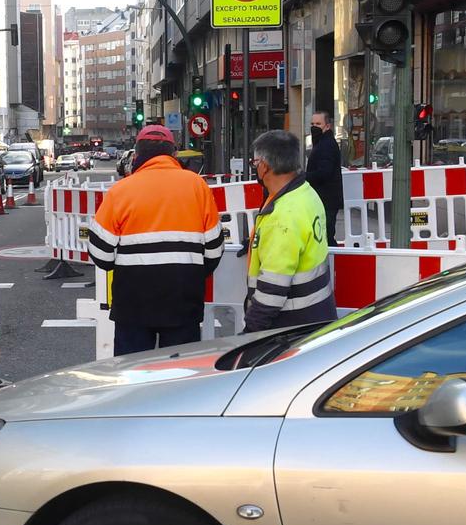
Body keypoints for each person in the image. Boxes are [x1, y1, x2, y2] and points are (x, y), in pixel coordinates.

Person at [83, 123, 223, 356]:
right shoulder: (197, 186)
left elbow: (101, 254)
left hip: (133, 302)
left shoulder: (121, 190)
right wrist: (192, 272)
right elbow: (213, 250)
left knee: (134, 377)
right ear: (174, 154)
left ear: (137, 155)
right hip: (183, 298)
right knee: (180, 376)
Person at [244, 128, 337, 333]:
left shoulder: (282, 216)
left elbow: (272, 292)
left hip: (290, 326)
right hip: (315, 315)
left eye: (255, 163)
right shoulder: (306, 193)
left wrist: (250, 334)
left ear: (264, 167)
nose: (255, 168)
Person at [305, 111, 344, 246]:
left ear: (327, 126)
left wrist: (303, 177)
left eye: (318, 124)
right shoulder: (323, 142)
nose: (314, 127)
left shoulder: (325, 145)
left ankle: (333, 265)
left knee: (325, 238)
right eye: (312, 124)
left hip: (325, 200)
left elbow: (324, 173)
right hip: (324, 199)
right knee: (324, 236)